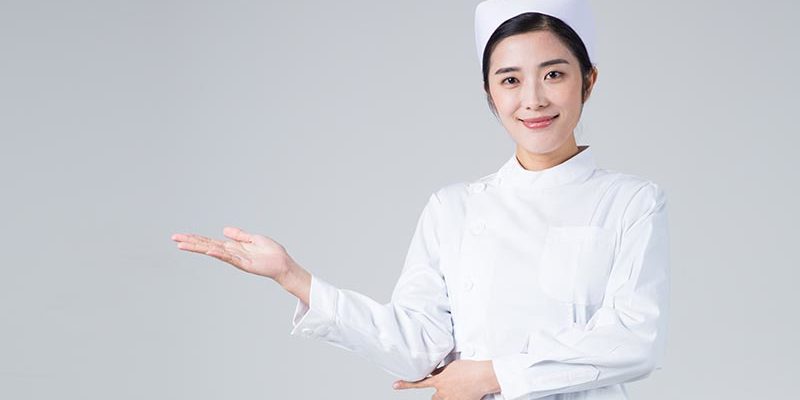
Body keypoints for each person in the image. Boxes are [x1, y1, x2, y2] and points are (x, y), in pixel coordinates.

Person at [170, 0, 670, 399]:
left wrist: (491, 375)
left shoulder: (630, 202)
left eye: (554, 74)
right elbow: (417, 346)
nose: (533, 99)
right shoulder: (454, 209)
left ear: (589, 80)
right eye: (510, 80)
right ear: (489, 93)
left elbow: (633, 341)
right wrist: (293, 277)